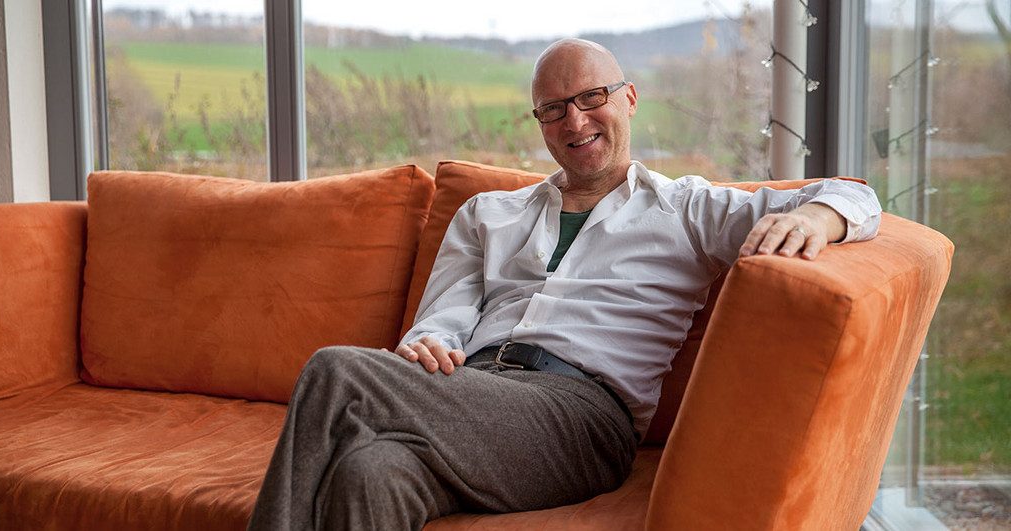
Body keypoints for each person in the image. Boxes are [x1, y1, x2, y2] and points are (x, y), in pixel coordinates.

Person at [247, 38, 882, 530]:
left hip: (583, 420)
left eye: (590, 97)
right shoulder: (487, 214)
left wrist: (813, 218)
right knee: (370, 472)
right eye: (553, 110)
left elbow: (855, 196)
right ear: (540, 122)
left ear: (629, 99)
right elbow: (442, 318)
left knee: (335, 372)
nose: (574, 121)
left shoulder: (687, 208)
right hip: (474, 393)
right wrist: (429, 345)